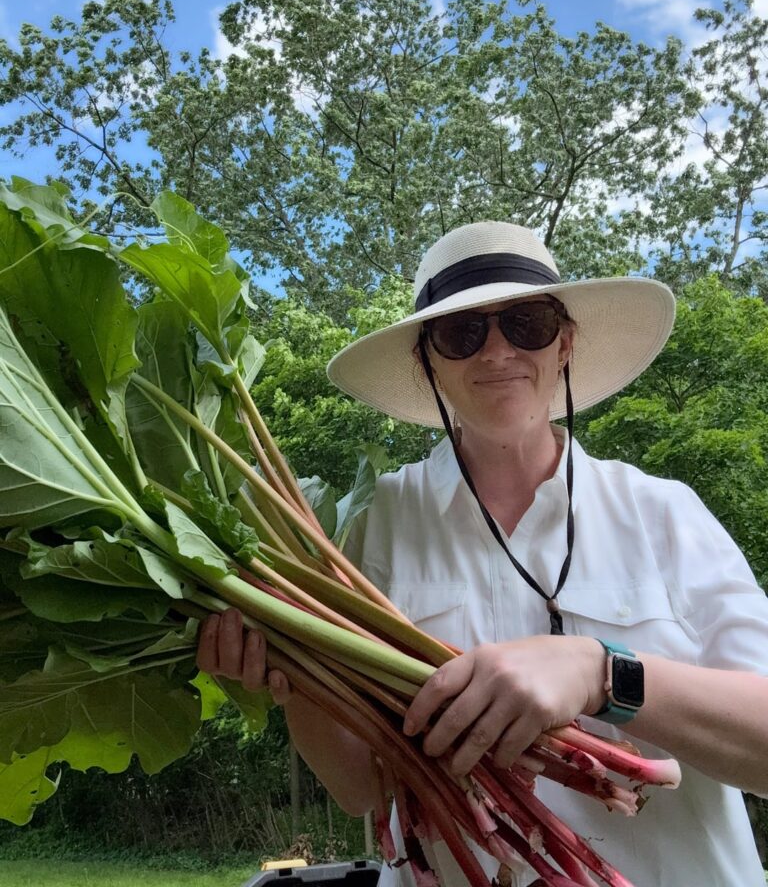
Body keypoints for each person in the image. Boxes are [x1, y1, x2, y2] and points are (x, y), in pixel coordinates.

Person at [197, 221, 768, 887]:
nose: (497, 351)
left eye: (526, 322)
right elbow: (362, 789)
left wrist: (603, 674)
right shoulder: (369, 527)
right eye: (462, 333)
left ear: (565, 344)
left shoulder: (665, 515)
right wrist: (291, 673)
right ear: (428, 363)